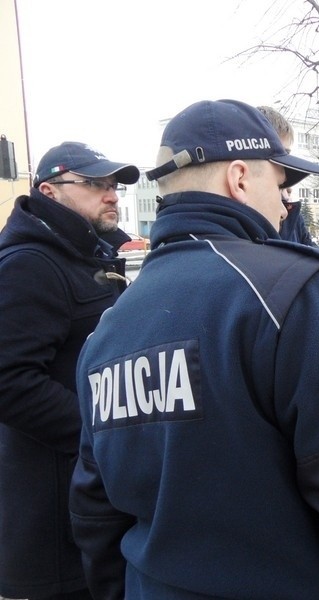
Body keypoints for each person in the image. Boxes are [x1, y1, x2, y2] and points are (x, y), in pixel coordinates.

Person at [68, 99, 319, 600]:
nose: (284, 206)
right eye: (280, 186)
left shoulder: (110, 328)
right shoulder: (290, 295)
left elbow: (95, 511)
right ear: (239, 177)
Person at [0, 141, 139, 600]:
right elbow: (9, 382)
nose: (112, 195)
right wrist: (102, 434)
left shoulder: (85, 256)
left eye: (114, 185)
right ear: (49, 191)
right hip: (49, 526)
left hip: (87, 508)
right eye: (96, 184)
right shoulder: (28, 264)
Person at [257, 105, 317, 246]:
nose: (285, 165)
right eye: (276, 156)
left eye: (286, 155)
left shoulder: (291, 212)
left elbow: (318, 256)